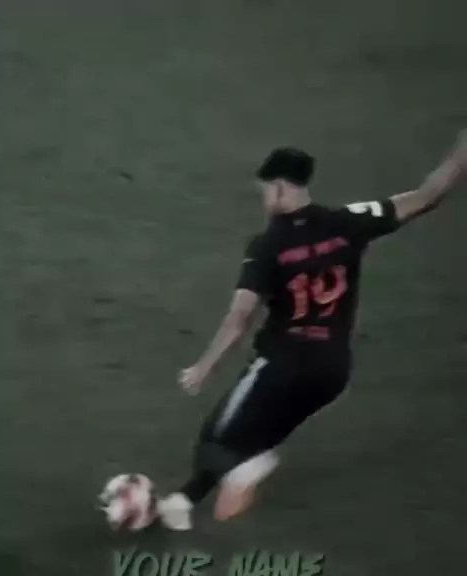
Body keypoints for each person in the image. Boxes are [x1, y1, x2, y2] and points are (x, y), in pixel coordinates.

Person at [157, 131, 467, 531]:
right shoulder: (347, 222)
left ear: (279, 187)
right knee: (255, 437)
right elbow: (427, 196)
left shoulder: (267, 245)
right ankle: (183, 503)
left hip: (282, 365)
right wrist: (461, 152)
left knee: (214, 439)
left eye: (265, 192)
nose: (264, 201)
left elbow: (239, 319)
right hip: (332, 371)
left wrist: (204, 367)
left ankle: (242, 471)